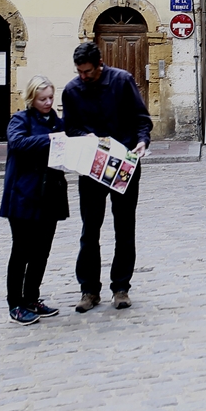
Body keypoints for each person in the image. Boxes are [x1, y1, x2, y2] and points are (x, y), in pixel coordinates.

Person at [63, 42, 151, 313]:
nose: (83, 76)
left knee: (124, 227)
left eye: (88, 71)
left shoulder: (122, 81)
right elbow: (70, 128)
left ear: (99, 64)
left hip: (123, 163)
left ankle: (121, 287)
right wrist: (83, 136)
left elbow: (141, 118)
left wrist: (142, 141)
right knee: (90, 229)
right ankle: (89, 290)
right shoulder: (71, 90)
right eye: (79, 71)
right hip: (92, 167)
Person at [0, 75, 70, 326]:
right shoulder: (20, 119)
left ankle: (32, 297)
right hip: (23, 194)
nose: (48, 102)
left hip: (49, 195)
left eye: (51, 98)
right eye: (43, 99)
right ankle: (15, 304)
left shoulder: (57, 122)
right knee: (22, 251)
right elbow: (18, 143)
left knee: (42, 251)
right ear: (31, 98)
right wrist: (50, 140)